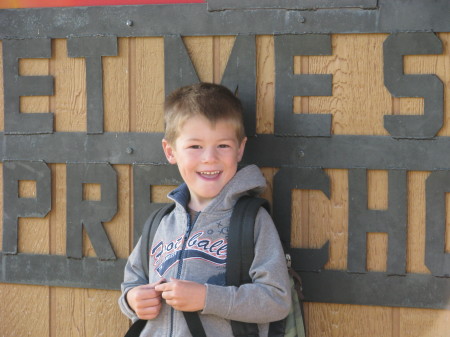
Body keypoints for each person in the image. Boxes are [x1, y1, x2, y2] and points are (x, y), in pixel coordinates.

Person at [119, 82, 291, 336]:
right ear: (170, 151)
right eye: (195, 146)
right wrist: (132, 300)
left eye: (222, 145)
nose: (209, 157)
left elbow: (276, 300)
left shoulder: (251, 220)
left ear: (240, 149)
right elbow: (132, 282)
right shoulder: (161, 223)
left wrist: (206, 298)